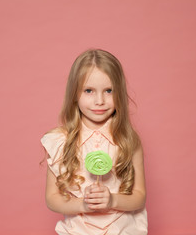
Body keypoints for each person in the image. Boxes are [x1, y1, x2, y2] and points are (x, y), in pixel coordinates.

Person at [41, 49, 147, 234]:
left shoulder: (128, 140)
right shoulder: (60, 141)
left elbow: (139, 196)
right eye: (89, 91)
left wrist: (112, 201)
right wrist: (83, 204)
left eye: (109, 91)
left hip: (121, 229)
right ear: (74, 94)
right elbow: (52, 198)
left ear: (119, 93)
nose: (100, 101)